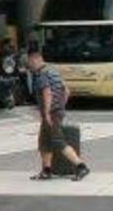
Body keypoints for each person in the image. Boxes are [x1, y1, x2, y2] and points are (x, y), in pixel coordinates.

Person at [26, 44, 88, 181]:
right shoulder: (53, 71)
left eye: (30, 63)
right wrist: (61, 106)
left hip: (51, 114)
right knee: (44, 142)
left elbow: (47, 92)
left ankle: (81, 166)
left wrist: (48, 112)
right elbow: (66, 91)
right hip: (56, 111)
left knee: (58, 141)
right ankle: (47, 170)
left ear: (35, 60)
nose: (29, 66)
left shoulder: (41, 74)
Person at [0, 40, 21, 110]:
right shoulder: (13, 53)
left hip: (6, 74)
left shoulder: (2, 54)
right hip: (10, 74)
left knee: (8, 88)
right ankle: (9, 101)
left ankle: (9, 101)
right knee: (9, 87)